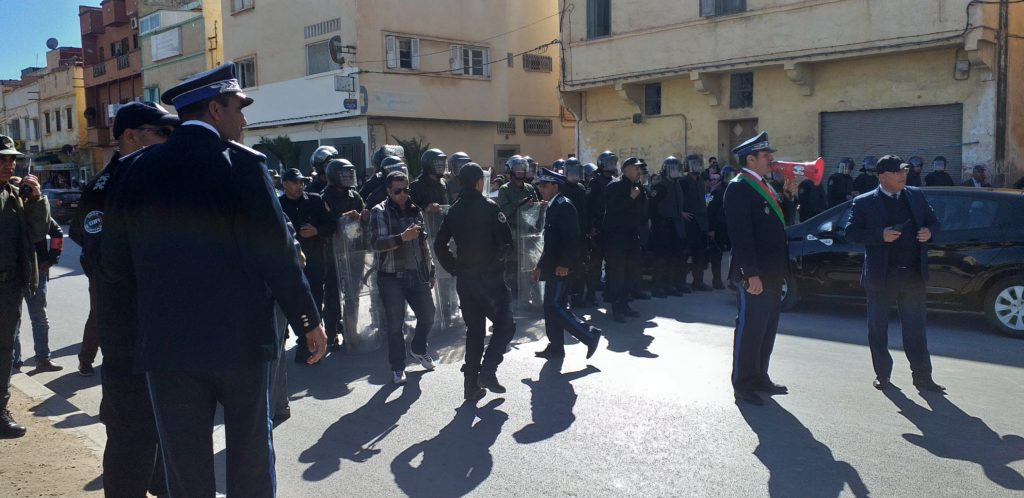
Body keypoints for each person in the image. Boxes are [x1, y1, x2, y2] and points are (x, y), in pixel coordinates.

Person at [101, 62, 327, 497]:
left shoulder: (135, 169)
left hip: (166, 345)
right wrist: (308, 320)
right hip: (239, 342)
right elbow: (276, 253)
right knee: (250, 459)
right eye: (238, 108)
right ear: (215, 109)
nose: (244, 119)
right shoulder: (243, 165)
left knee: (185, 467)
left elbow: (113, 264)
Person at [70, 101, 179, 496]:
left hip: (165, 331)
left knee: (167, 431)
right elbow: (100, 255)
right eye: (163, 133)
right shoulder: (106, 187)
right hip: (128, 332)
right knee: (131, 433)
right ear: (132, 136)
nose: (171, 141)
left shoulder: (160, 182)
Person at [844, 155, 945, 393]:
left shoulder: (915, 195)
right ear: (882, 176)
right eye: (897, 171)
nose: (903, 175)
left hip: (912, 274)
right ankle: (883, 374)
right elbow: (850, 233)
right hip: (882, 275)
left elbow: (934, 222)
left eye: (905, 170)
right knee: (878, 328)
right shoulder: (864, 202)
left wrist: (929, 232)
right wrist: (880, 235)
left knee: (916, 329)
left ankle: (923, 377)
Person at [434, 163, 517, 400]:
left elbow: (439, 245)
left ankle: (470, 385)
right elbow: (507, 243)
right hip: (489, 280)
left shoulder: (453, 210)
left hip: (466, 279)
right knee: (506, 326)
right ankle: (488, 370)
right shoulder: (490, 207)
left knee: (475, 331)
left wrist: (454, 268)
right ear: (480, 182)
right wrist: (499, 258)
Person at [724, 131, 791, 406]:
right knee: (750, 329)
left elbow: (777, 226)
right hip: (756, 273)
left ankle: (760, 376)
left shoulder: (764, 185)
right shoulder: (739, 187)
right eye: (766, 155)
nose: (771, 159)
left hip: (773, 271)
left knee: (766, 329)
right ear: (750, 159)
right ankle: (743, 384)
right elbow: (741, 236)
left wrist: (789, 198)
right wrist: (750, 273)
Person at [0, 136, 50, 438]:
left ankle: (0, 410)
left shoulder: (15, 195)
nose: (9, 164)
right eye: (3, 158)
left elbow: (37, 233)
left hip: (9, 287)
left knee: (5, 350)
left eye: (12, 159)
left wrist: (37, 200)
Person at [369, 171, 437, 385]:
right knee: (395, 325)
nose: (403, 194)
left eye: (406, 190)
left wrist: (431, 269)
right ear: (389, 191)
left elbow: (423, 243)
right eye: (397, 191)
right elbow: (376, 244)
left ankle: (418, 349)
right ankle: (398, 367)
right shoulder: (379, 211)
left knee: (429, 315)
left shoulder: (414, 209)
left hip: (416, 273)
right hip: (391, 276)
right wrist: (402, 238)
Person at [531, 168, 602, 359]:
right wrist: (539, 265)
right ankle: (556, 347)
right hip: (552, 266)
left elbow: (572, 239)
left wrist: (565, 264)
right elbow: (551, 243)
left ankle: (589, 334)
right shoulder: (553, 205)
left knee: (554, 306)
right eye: (539, 185)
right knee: (552, 306)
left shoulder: (564, 206)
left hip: (562, 267)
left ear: (555, 186)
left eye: (544, 185)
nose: (540, 189)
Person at [279, 168, 337, 363]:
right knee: (290, 301)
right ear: (285, 184)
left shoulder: (315, 200)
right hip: (289, 263)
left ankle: (308, 347)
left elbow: (332, 225)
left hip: (314, 260)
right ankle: (292, 337)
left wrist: (316, 230)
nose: (299, 186)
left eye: (302, 182)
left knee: (313, 301)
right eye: (295, 182)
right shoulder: (277, 204)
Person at [321, 158, 369, 352]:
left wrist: (361, 217)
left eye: (351, 173)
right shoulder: (324, 197)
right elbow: (324, 224)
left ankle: (351, 331)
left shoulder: (354, 195)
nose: (349, 177)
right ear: (334, 176)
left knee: (353, 294)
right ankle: (331, 335)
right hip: (332, 253)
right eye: (344, 174)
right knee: (332, 296)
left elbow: (363, 217)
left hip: (353, 251)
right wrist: (342, 218)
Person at [13, 216, 63, 372]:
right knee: (12, 319)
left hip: (36, 273)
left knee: (39, 317)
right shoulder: (7, 210)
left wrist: (51, 259)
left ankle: (43, 359)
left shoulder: (37, 211)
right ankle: (14, 362)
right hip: (11, 274)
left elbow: (57, 233)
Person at [603, 157, 647, 322]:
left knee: (631, 272)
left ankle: (625, 304)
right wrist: (630, 198)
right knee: (618, 274)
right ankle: (617, 308)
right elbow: (613, 210)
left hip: (632, 237)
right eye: (636, 168)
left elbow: (642, 210)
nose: (639, 171)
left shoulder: (637, 187)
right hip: (617, 238)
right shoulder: (614, 186)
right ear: (626, 169)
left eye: (640, 169)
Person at [496, 155, 539, 302]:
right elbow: (503, 212)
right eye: (517, 168)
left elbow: (536, 209)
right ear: (510, 170)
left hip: (527, 234)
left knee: (528, 268)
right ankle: (512, 300)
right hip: (512, 234)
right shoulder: (505, 189)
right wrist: (519, 204)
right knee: (512, 270)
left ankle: (527, 298)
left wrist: (540, 206)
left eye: (522, 168)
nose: (520, 171)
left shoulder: (530, 188)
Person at [649, 156, 687, 297]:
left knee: (673, 256)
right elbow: (652, 206)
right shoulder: (661, 186)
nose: (676, 171)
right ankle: (657, 286)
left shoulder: (677, 184)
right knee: (661, 257)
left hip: (675, 224)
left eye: (678, 169)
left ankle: (669, 284)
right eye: (673, 169)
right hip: (662, 225)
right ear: (666, 170)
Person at [584, 151, 618, 305]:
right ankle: (591, 295)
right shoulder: (595, 182)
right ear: (601, 164)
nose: (612, 166)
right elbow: (589, 206)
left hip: (612, 227)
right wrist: (590, 226)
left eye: (613, 163)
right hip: (598, 227)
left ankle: (610, 293)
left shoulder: (616, 181)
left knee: (612, 262)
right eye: (609, 163)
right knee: (595, 263)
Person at [560, 159, 590, 307]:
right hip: (565, 234)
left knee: (580, 266)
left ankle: (579, 297)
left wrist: (587, 229)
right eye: (571, 173)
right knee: (566, 266)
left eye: (576, 173)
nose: (574, 175)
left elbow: (585, 211)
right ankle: (564, 297)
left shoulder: (581, 188)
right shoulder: (561, 188)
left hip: (581, 232)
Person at [681, 154, 711, 291]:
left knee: (700, 254)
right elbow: (677, 200)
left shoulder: (701, 180)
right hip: (688, 222)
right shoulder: (683, 182)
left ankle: (698, 281)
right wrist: (681, 212)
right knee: (685, 253)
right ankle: (681, 282)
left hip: (701, 222)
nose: (697, 167)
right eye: (694, 164)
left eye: (699, 164)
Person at [707, 166, 736, 290]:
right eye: (728, 176)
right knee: (717, 255)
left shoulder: (735, 189)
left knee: (735, 254)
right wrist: (711, 229)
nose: (730, 178)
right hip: (719, 226)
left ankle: (734, 281)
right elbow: (710, 211)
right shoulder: (717, 191)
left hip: (731, 225)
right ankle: (717, 280)